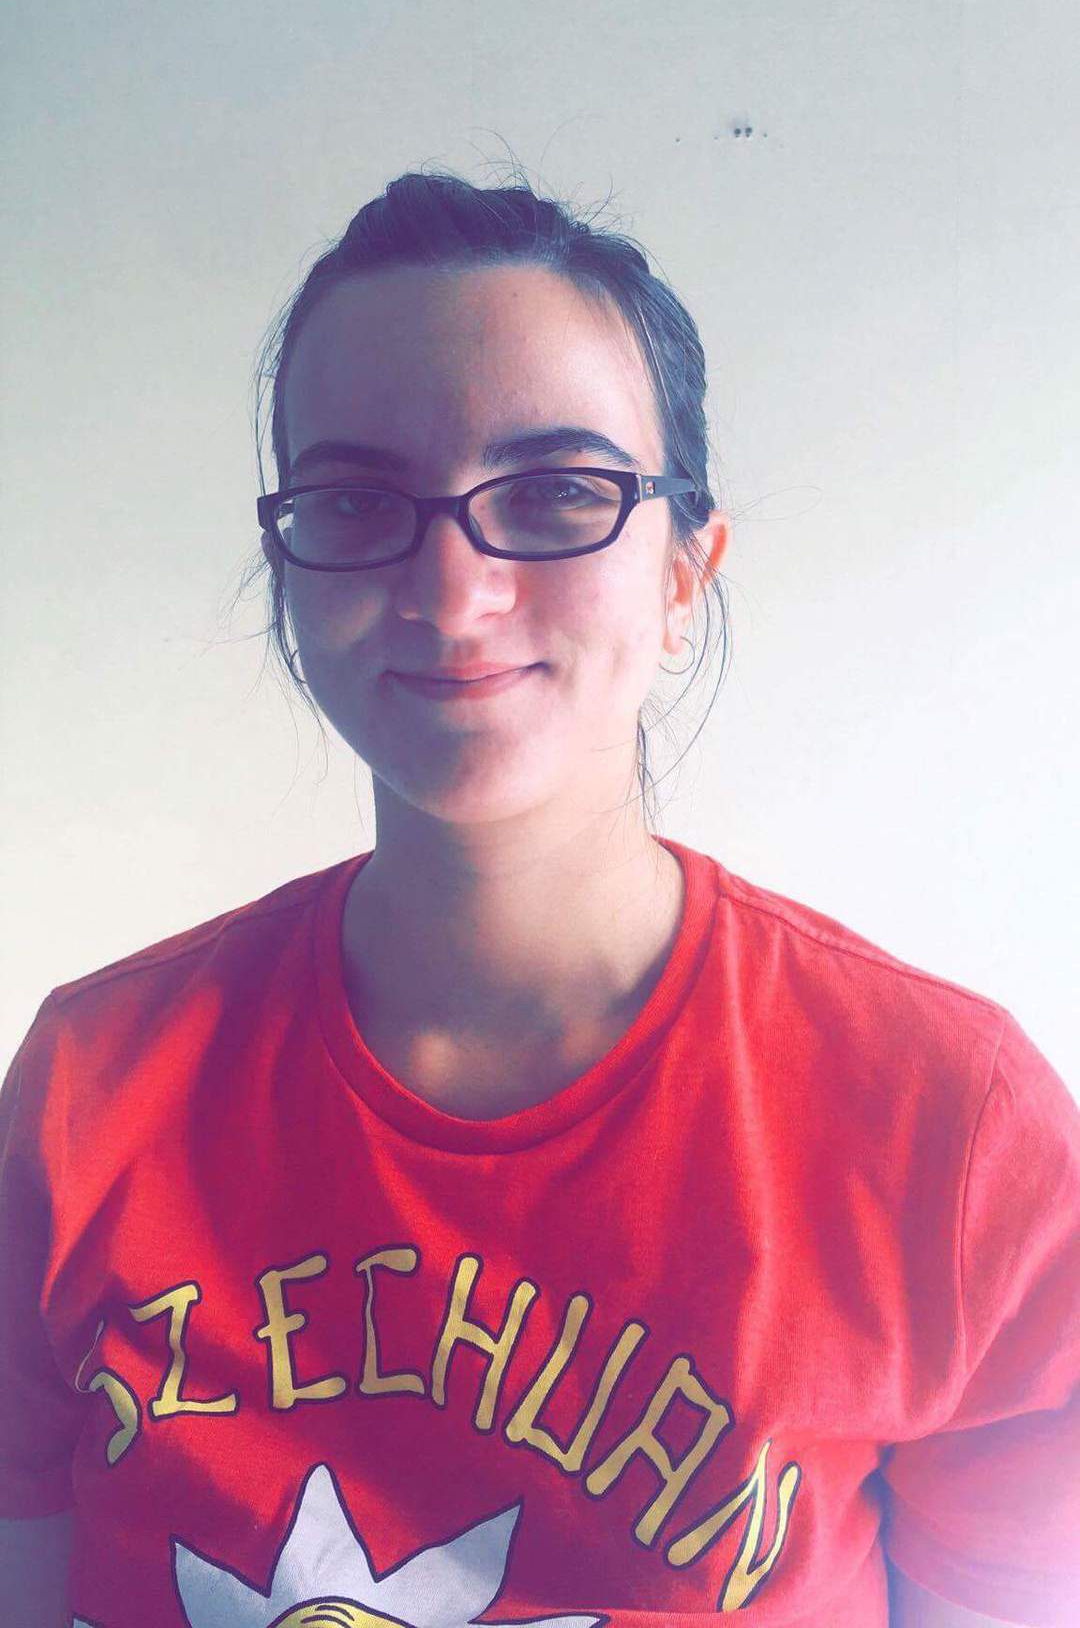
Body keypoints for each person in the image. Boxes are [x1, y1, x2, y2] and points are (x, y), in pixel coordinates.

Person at [1, 169, 1077, 1628]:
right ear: (286, 567)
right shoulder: (89, 1091)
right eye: (355, 500)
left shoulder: (953, 1134)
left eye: (561, 492)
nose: (454, 595)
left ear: (686, 571)